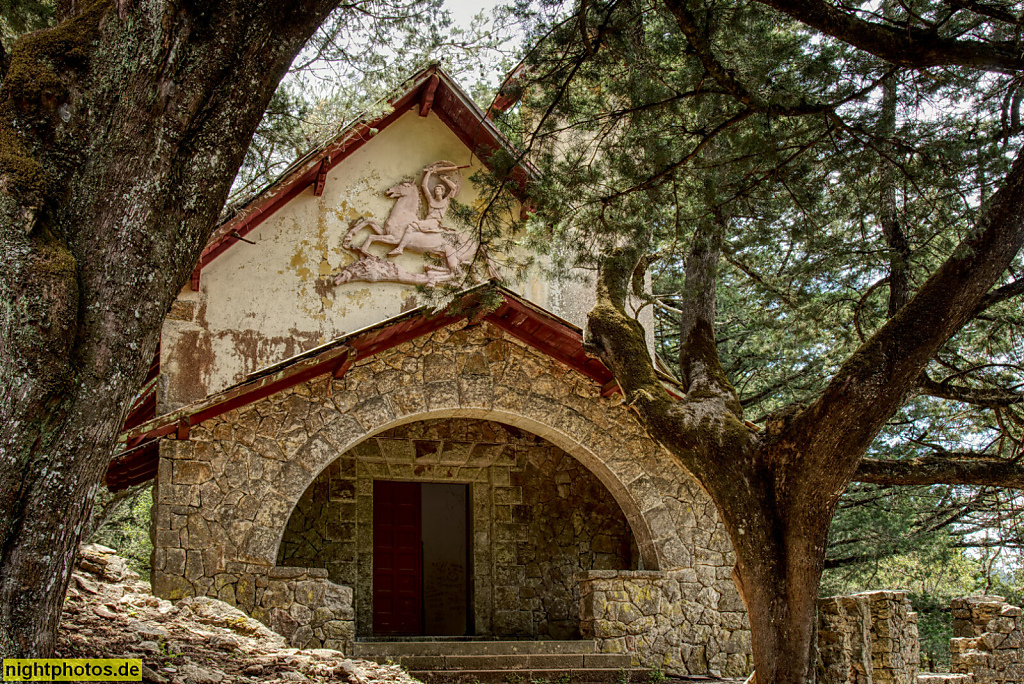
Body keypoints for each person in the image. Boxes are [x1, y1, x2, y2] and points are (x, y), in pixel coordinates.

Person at [387, 163, 461, 256]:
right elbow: (424, 186)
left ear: (443, 192)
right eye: (436, 189)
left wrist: (444, 179)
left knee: (411, 226)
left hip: (434, 222)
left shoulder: (446, 201)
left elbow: (454, 188)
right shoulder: (431, 200)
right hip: (427, 221)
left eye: (439, 189)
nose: (437, 191)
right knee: (412, 225)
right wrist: (429, 173)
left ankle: (400, 248)